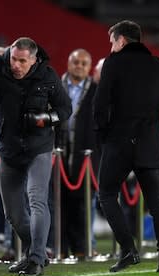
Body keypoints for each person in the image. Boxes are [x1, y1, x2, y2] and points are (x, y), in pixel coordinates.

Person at [0, 37, 72, 276]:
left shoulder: (47, 75)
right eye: (14, 58)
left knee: (37, 200)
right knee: (13, 214)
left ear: (33, 59)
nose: (16, 65)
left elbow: (66, 109)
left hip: (39, 148)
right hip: (9, 149)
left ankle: (35, 259)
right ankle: (36, 250)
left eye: (22, 61)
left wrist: (46, 119)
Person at [93, 20, 159, 273]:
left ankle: (128, 250)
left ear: (122, 40)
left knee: (106, 194)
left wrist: (104, 134)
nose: (111, 47)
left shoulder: (113, 63)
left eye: (112, 42)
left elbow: (100, 103)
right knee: (156, 201)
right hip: (149, 140)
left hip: (119, 140)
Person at [58, 48, 99, 258]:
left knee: (83, 204)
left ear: (89, 67)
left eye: (84, 63)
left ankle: (82, 248)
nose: (79, 66)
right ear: (68, 63)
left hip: (86, 156)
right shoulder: (57, 86)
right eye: (76, 62)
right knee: (59, 202)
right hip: (59, 152)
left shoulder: (96, 90)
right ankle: (60, 248)